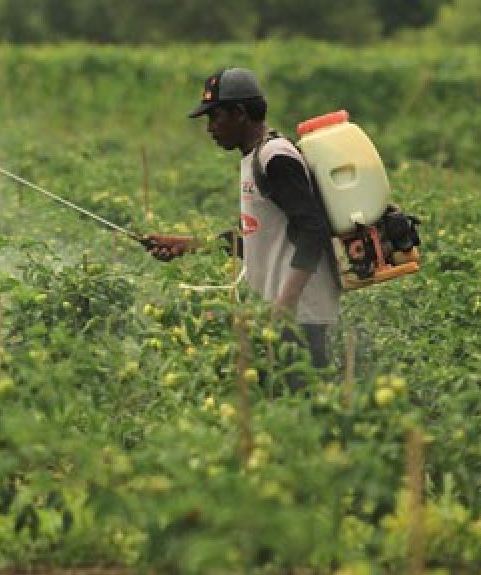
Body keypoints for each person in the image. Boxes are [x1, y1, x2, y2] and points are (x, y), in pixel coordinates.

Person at [145, 67, 341, 373]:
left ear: (239, 113)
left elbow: (313, 229)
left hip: (300, 315)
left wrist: (286, 301)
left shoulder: (275, 157)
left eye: (215, 117)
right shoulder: (255, 157)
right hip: (279, 315)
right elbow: (250, 235)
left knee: (302, 406)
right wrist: (187, 246)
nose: (210, 128)